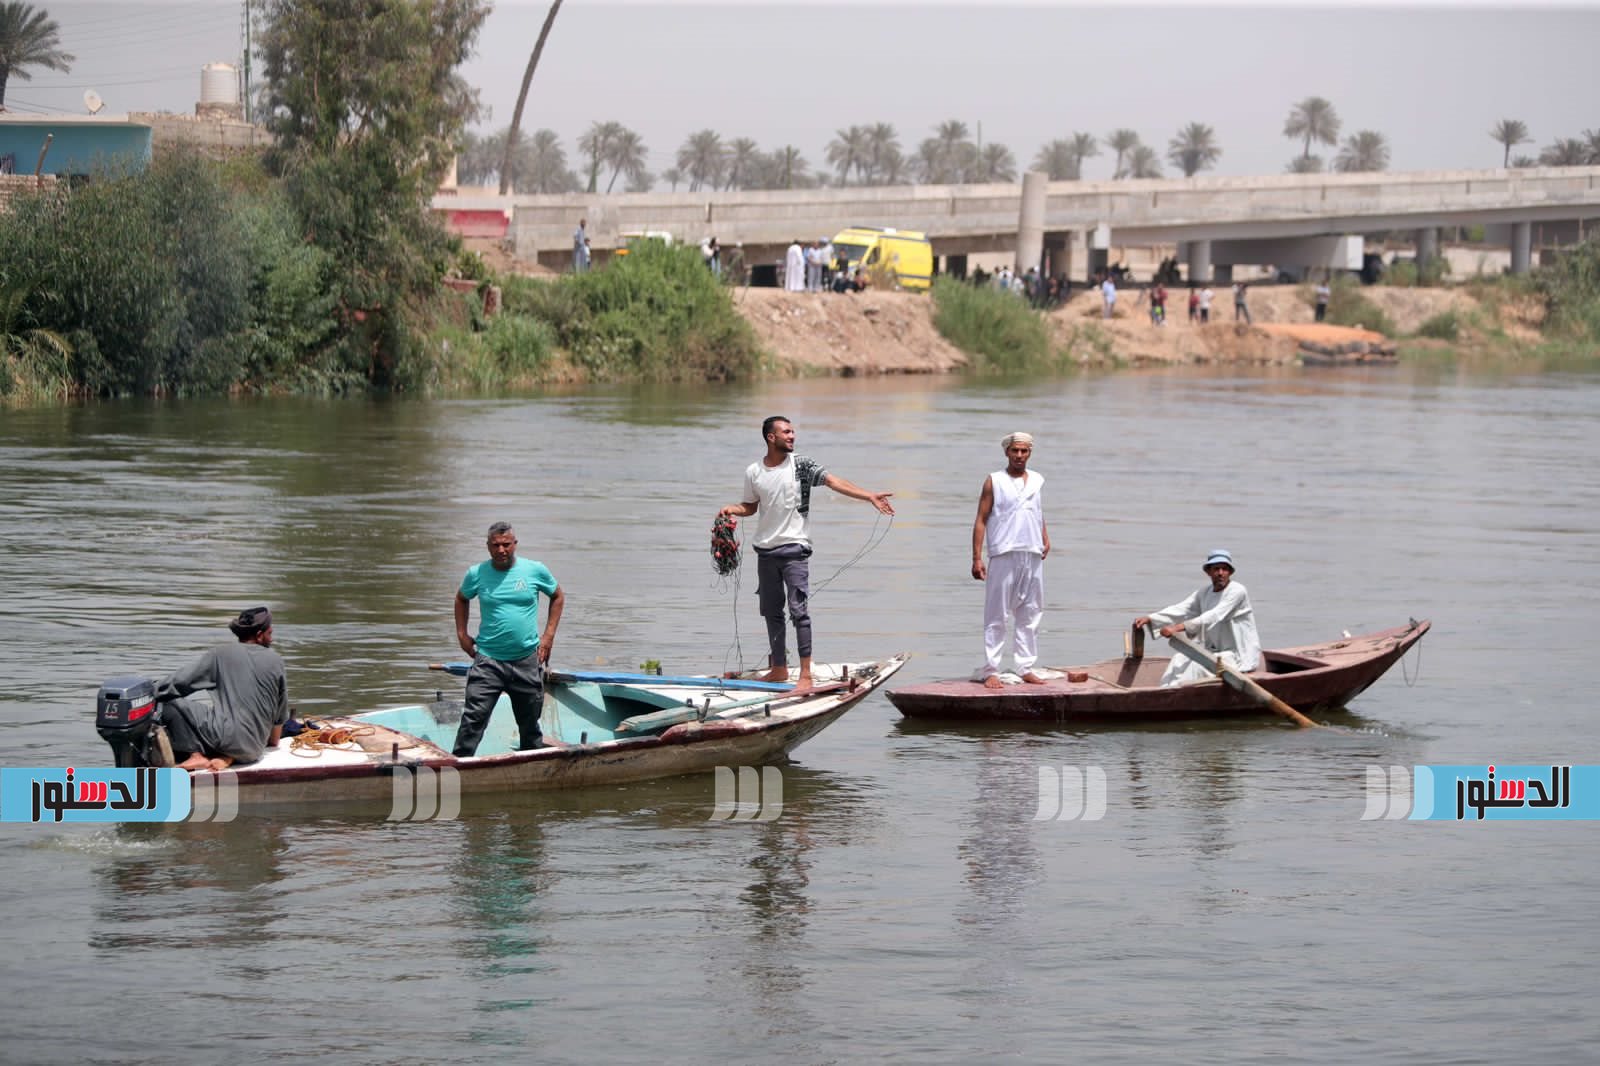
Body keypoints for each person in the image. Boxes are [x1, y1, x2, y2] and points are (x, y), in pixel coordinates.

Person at [718, 416, 894, 691]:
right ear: (770, 437)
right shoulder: (754, 472)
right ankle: (778, 669)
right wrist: (732, 509)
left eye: (793, 431)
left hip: (794, 550)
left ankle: (805, 675)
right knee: (772, 612)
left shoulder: (801, 465)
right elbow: (750, 507)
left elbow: (833, 481)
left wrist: (868, 495)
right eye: (786, 432)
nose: (792, 436)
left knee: (799, 611)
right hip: (765, 551)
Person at [452, 522, 566, 757]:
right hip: (488, 661)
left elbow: (557, 596)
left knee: (529, 725)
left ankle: (531, 765)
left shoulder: (534, 570)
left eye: (506, 545)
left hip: (526, 659)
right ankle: (459, 765)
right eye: (496, 545)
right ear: (488, 547)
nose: (501, 550)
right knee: (473, 720)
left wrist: (548, 637)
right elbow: (462, 598)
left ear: (515, 544)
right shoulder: (477, 573)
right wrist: (462, 635)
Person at [157, 606, 289, 772]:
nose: (271, 639)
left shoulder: (220, 654)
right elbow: (279, 718)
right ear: (259, 635)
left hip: (226, 739)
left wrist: (150, 691)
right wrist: (270, 742)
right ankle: (228, 755)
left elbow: (178, 684)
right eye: (270, 634)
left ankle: (196, 755)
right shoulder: (276, 661)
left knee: (170, 703)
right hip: (255, 748)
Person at [972, 432, 1051, 688]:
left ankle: (1025, 666)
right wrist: (977, 557)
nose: (1019, 456)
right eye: (1015, 451)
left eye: (1024, 451)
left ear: (1030, 453)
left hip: (1032, 551)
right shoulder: (994, 481)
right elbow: (981, 519)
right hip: (1003, 552)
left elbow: (1037, 512)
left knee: (1031, 611)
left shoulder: (1037, 480)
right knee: (997, 613)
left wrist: (1045, 537)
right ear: (1007, 452)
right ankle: (990, 669)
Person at [1134, 549, 1260, 688]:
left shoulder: (1237, 591)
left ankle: (1175, 696)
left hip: (1238, 656)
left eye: (1224, 569)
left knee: (1196, 666)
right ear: (1208, 572)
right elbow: (1182, 608)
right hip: (1215, 651)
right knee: (1178, 659)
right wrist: (1150, 618)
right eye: (1216, 569)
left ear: (1230, 572)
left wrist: (1177, 627)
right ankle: (1163, 692)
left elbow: (1213, 615)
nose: (1220, 573)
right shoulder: (1204, 593)